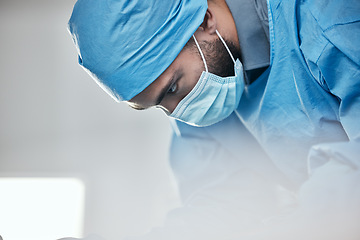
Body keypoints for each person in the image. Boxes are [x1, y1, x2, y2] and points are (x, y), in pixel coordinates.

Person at [67, 0, 360, 239]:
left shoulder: (327, 17)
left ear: (205, 19)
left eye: (172, 88)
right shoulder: (200, 95)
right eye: (159, 105)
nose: (178, 112)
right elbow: (224, 205)